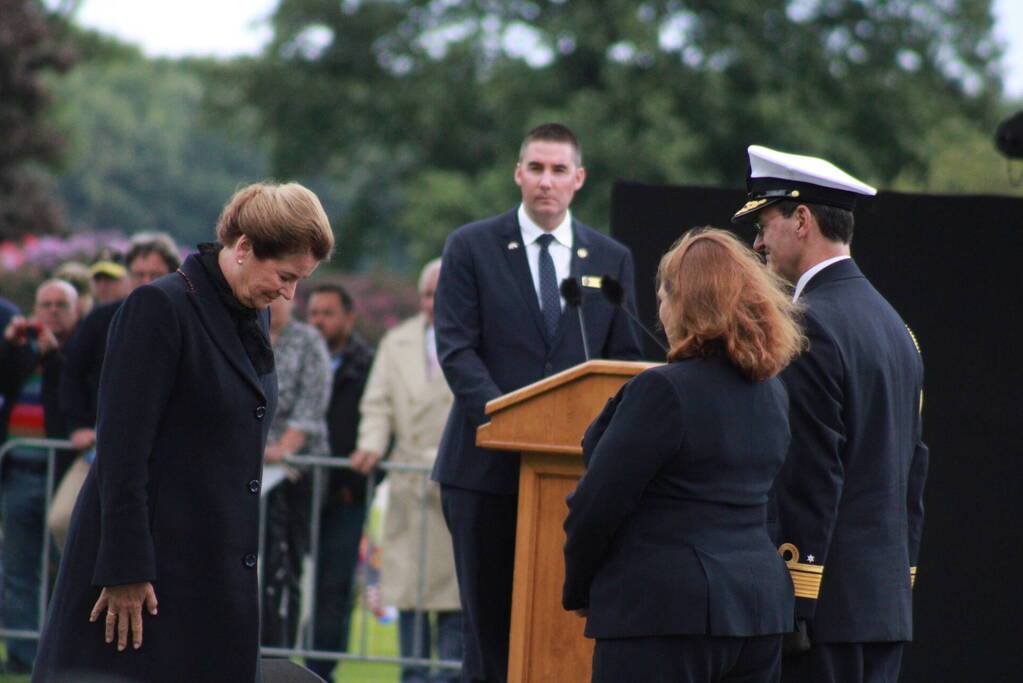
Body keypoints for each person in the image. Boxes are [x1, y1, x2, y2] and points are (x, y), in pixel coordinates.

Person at [32, 182, 334, 682]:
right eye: (284, 276)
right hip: (145, 572)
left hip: (211, 561)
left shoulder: (248, 310)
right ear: (242, 249)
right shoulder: (159, 307)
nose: (289, 294)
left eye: (299, 281)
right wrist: (126, 567)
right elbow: (122, 451)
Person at [432, 122, 642, 682]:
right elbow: (456, 350)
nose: (545, 182)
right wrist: (512, 421)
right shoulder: (470, 246)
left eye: (558, 170)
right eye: (536, 168)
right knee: (488, 635)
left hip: (574, 475)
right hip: (483, 470)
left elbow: (623, 358)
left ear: (578, 179)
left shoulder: (610, 258)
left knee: (561, 630)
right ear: (518, 173)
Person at [562, 228, 804, 682]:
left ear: (684, 302)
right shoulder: (771, 392)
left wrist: (580, 588)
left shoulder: (664, 391)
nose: (660, 309)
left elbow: (595, 505)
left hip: (665, 613)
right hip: (758, 611)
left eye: (662, 296)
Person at [732, 145, 929, 683]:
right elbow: (912, 473)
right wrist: (897, 580)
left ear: (801, 219)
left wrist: (795, 600)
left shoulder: (811, 324)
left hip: (822, 616)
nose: (757, 242)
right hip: (881, 610)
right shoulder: (897, 328)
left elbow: (810, 474)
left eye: (765, 223)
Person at [352, 259, 463, 683]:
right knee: (410, 596)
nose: (433, 303)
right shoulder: (396, 342)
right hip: (406, 487)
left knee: (455, 601)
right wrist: (370, 446)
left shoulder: (478, 340)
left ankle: (452, 677)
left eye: (442, 293)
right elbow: (377, 403)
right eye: (427, 294)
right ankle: (413, 678)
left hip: (454, 484)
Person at [52, 232, 182, 551]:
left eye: (155, 275)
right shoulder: (102, 319)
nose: (146, 281)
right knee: (62, 518)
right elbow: (70, 374)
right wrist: (77, 425)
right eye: (139, 274)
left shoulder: (185, 322)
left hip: (165, 455)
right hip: (101, 449)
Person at [0, 279, 79, 674]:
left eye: (59, 304)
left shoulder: (77, 352)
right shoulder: (23, 352)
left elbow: (70, 403)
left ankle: (60, 656)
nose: (50, 311)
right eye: (44, 304)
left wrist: (55, 357)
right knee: (17, 567)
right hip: (19, 471)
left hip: (59, 471)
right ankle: (22, 656)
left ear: (74, 310)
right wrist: (11, 344)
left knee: (62, 569)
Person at [303, 282, 374, 682]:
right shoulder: (296, 355)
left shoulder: (368, 364)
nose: (318, 322)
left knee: (334, 587)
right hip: (300, 489)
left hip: (345, 493)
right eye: (313, 313)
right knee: (286, 582)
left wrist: (356, 481)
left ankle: (321, 672)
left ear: (349, 318)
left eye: (327, 313)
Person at [260, 294, 331, 648]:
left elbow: (311, 405)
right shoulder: (243, 334)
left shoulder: (308, 342)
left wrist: (282, 449)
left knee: (286, 565)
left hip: (296, 470)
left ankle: (282, 649)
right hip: (249, 467)